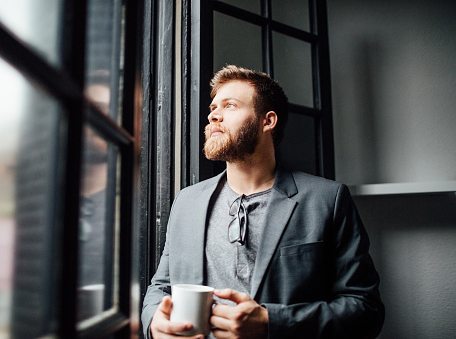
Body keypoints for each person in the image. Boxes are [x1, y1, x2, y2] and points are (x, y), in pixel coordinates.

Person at [141, 65, 384, 338]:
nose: (214, 116)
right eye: (213, 108)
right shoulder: (187, 201)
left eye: (230, 106)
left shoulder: (327, 199)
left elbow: (365, 309)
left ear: (267, 121)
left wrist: (271, 323)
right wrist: (153, 324)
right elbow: (161, 287)